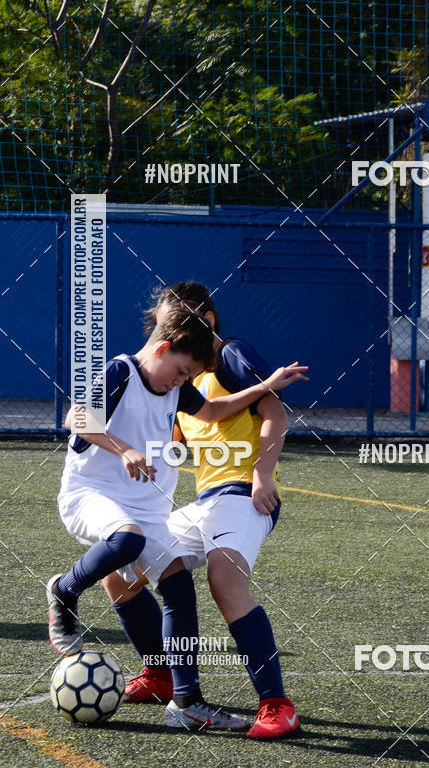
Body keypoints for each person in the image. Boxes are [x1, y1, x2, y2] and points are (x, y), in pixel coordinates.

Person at [48, 306, 308, 732]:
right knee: (124, 565)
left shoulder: (216, 363)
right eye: (182, 371)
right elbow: (82, 417)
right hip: (142, 499)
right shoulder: (138, 372)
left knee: (201, 580)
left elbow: (236, 410)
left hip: (234, 496)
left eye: (188, 375)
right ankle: (161, 674)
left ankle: (236, 702)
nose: (182, 381)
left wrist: (265, 395)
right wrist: (129, 450)